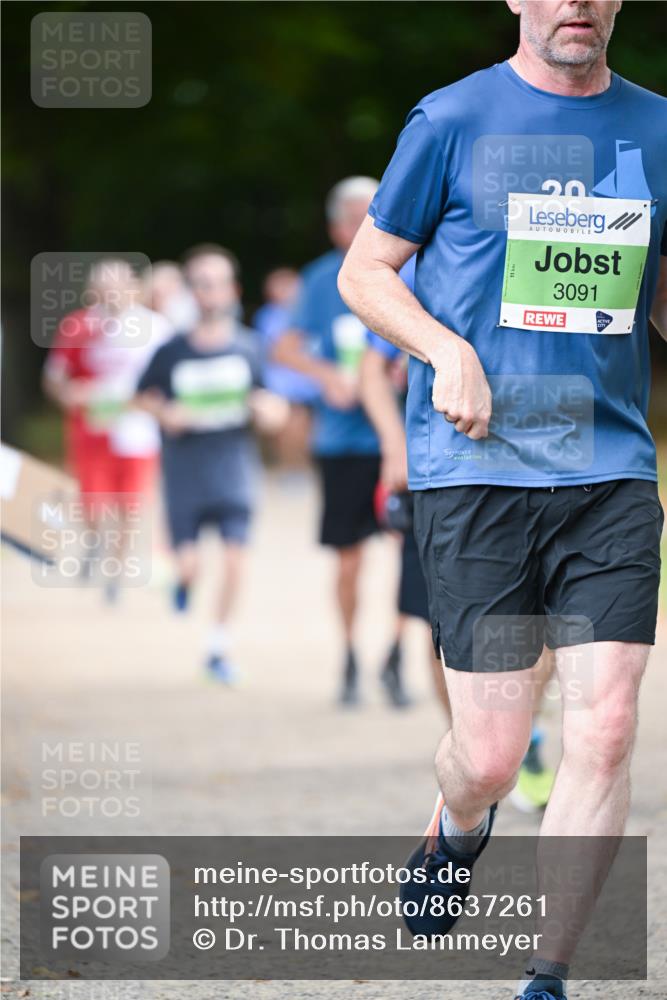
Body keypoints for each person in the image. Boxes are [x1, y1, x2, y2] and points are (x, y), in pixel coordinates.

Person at [338, 2, 667, 997]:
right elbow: (366, 271)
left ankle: (546, 973)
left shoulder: (656, 127)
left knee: (603, 728)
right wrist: (445, 350)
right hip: (475, 469)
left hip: (610, 469)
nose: (575, 2)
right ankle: (459, 823)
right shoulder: (451, 119)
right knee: (487, 756)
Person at [274, 177, 406, 708]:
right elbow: (285, 349)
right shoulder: (318, 279)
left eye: (372, 213)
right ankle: (350, 655)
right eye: (354, 218)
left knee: (410, 555)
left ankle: (396, 655)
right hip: (342, 442)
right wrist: (328, 376)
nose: (364, 225)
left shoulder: (408, 267)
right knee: (349, 559)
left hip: (401, 441)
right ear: (335, 228)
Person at [135, 244, 287, 683]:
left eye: (218, 284)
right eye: (201, 284)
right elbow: (141, 397)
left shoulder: (249, 347)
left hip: (234, 470)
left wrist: (269, 412)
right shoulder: (172, 351)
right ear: (190, 291)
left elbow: (273, 403)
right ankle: (183, 582)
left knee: (236, 559)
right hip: (185, 473)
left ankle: (218, 647)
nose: (211, 293)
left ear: (233, 290)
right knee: (189, 567)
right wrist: (165, 413)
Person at [43, 259, 169, 596]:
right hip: (92, 431)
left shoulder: (156, 328)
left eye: (118, 287)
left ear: (134, 288)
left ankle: (115, 567)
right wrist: (68, 394)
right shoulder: (79, 326)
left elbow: (168, 380)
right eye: (104, 288)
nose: (111, 295)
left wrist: (152, 403)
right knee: (93, 502)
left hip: (138, 432)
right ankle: (96, 541)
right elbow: (55, 377)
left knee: (131, 504)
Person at [253, 268, 319, 474]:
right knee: (290, 427)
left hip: (309, 381)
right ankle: (291, 468)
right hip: (285, 384)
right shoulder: (268, 316)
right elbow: (272, 351)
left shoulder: (306, 311)